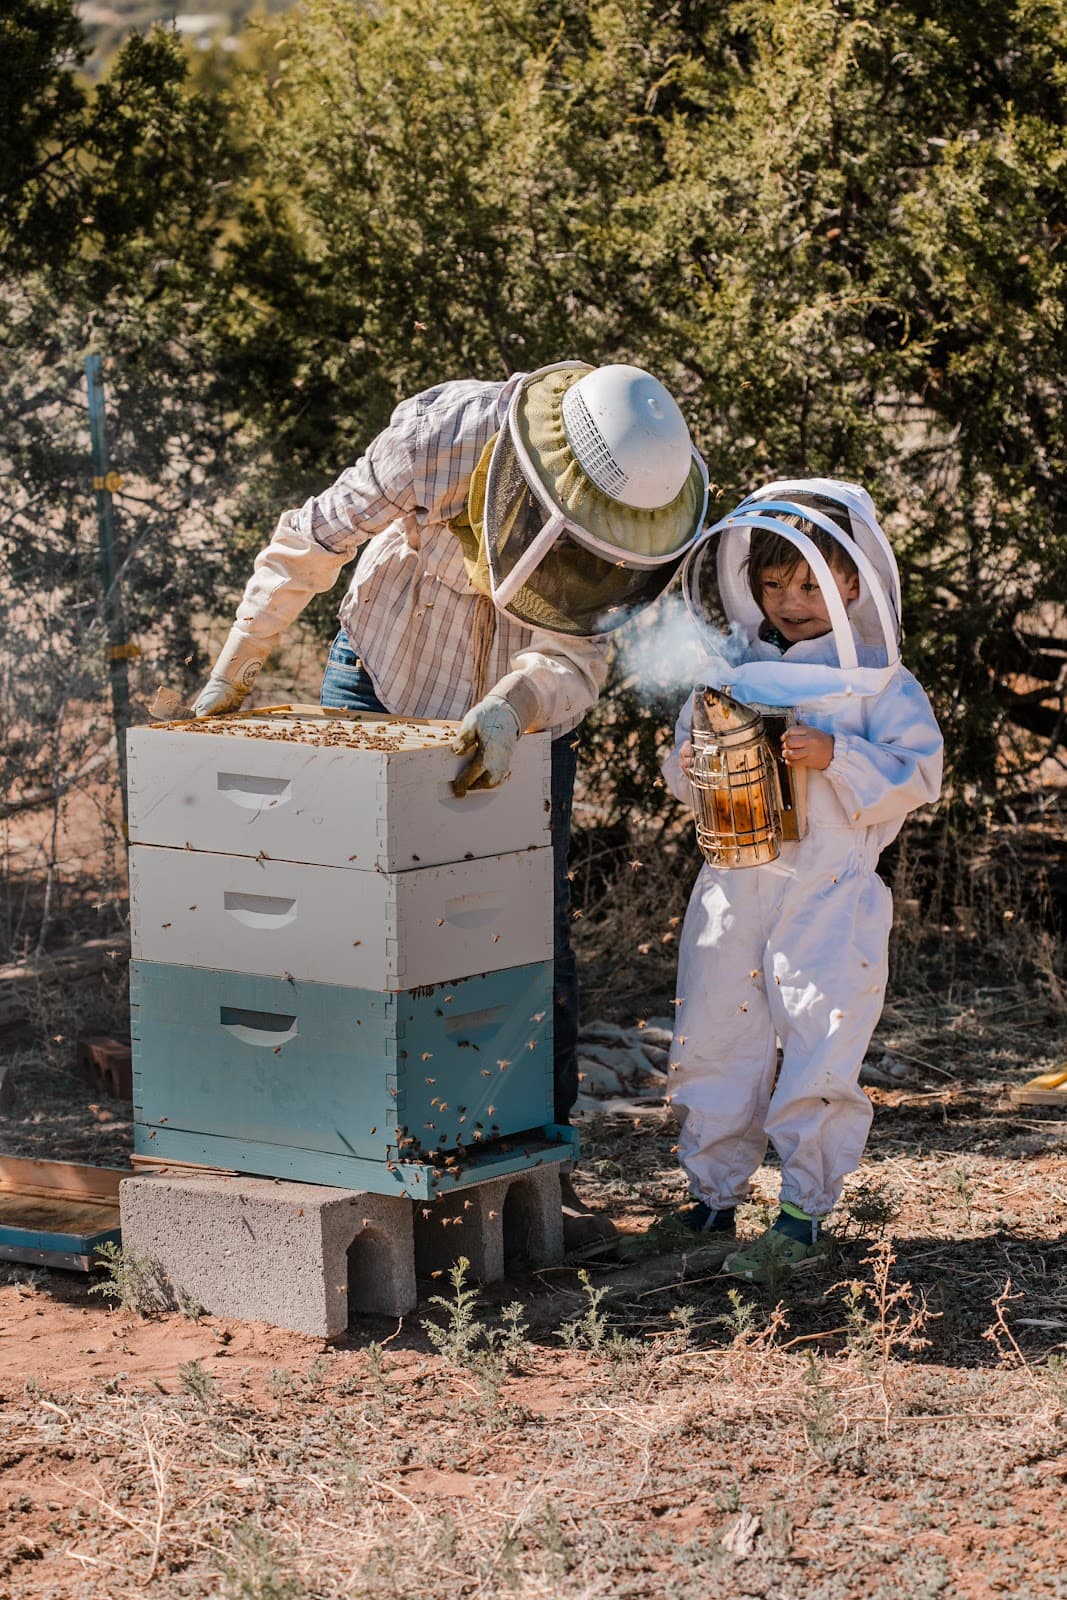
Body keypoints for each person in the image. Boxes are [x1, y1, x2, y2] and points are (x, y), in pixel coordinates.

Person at [193, 360, 709, 1249]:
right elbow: (313, 538)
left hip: (518, 710)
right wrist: (242, 654)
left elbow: (578, 656)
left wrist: (515, 707)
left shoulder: (630, 521)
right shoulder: (440, 436)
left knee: (522, 938)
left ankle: (535, 1171)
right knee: (344, 920)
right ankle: (342, 1145)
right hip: (385, 667)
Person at [660, 478, 943, 1283]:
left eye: (811, 583)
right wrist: (685, 767)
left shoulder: (881, 683)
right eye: (774, 583)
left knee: (820, 1035)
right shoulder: (735, 671)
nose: (790, 600)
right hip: (731, 879)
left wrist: (838, 757)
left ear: (853, 582)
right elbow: (688, 767)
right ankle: (709, 1200)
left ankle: (800, 1216)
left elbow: (918, 773)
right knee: (714, 1027)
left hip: (829, 887)